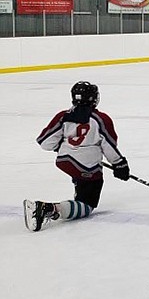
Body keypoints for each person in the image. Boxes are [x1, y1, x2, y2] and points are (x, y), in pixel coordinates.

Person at [25, 82, 130, 231]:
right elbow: (108, 145)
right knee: (87, 205)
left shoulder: (64, 116)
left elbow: (45, 142)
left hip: (65, 160)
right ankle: (47, 209)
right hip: (87, 166)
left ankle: (76, 192)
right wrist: (119, 164)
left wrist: (63, 147)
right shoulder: (100, 119)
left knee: (80, 181)